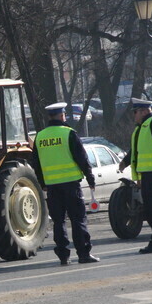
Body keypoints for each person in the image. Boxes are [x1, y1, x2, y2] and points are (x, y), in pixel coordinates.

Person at [32, 102, 100, 265]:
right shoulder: (69, 133)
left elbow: (36, 163)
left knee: (59, 221)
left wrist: (43, 183)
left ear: (49, 117)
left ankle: (63, 256)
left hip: (52, 187)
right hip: (71, 185)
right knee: (78, 220)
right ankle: (83, 254)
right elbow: (82, 159)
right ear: (62, 116)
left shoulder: (40, 136)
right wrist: (90, 178)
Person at [118, 98, 152, 254]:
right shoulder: (141, 128)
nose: (133, 116)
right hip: (149, 173)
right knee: (151, 208)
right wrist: (125, 162)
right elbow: (137, 149)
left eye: (135, 112)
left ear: (143, 111)